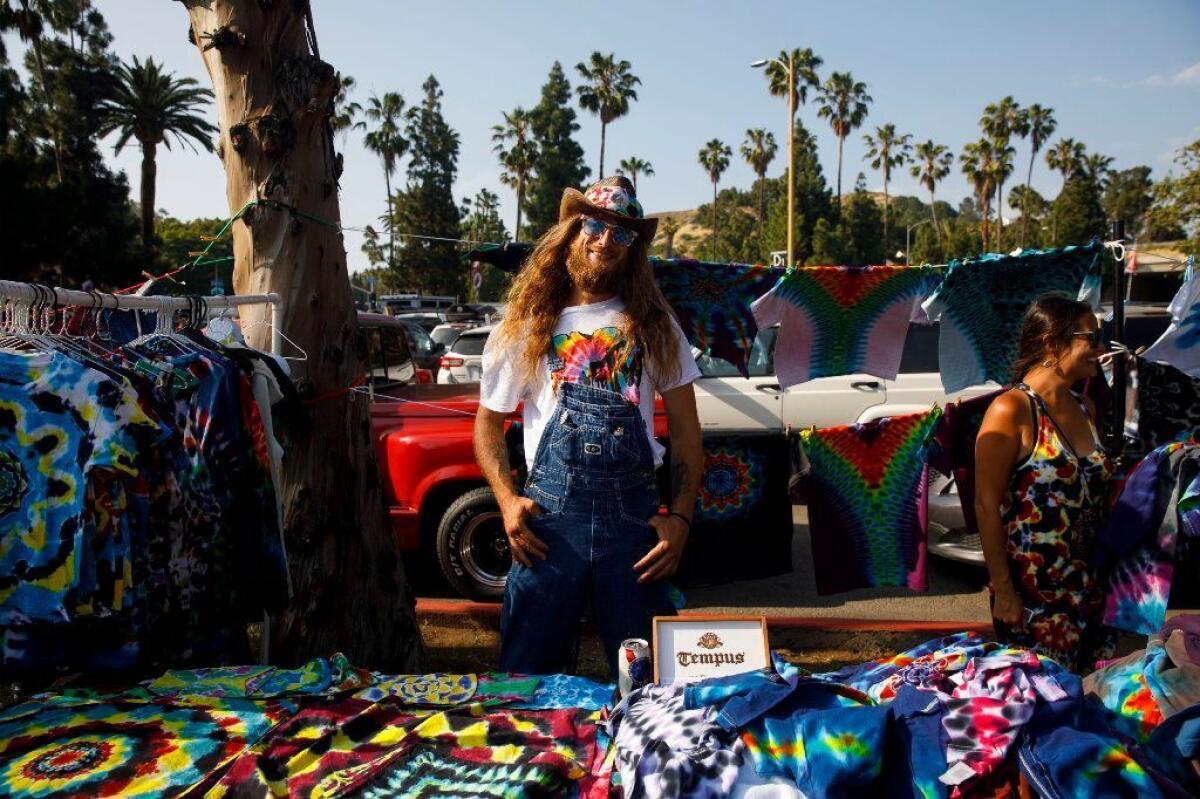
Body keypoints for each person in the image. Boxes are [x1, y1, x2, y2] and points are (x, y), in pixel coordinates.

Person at [474, 176, 704, 676]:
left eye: (621, 234)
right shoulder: (528, 324)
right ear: (571, 231)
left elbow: (687, 434)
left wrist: (681, 519)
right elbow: (489, 425)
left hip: (633, 526)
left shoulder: (655, 325)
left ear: (633, 250)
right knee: (528, 682)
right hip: (551, 524)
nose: (605, 241)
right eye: (595, 226)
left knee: (649, 686)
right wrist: (508, 501)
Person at [975, 294, 1116, 673]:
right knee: (1045, 709)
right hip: (1035, 600)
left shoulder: (1085, 408)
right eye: (1091, 338)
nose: (1100, 348)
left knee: (1092, 705)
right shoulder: (1013, 410)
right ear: (1053, 343)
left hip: (1090, 592)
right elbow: (986, 506)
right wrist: (1003, 590)